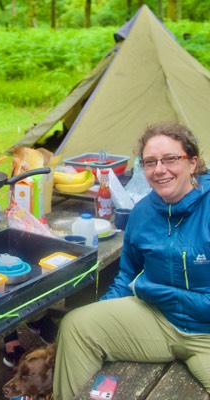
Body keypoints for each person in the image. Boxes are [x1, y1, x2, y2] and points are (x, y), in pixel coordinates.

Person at [53, 122, 210, 399]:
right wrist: (101, 314)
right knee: (77, 326)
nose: (159, 169)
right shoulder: (142, 213)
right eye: (150, 162)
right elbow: (127, 276)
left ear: (193, 162)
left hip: (206, 332)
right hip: (159, 318)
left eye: (171, 159)